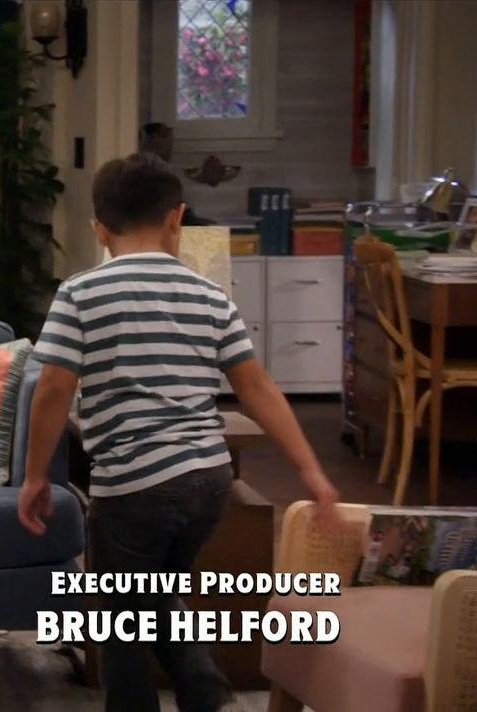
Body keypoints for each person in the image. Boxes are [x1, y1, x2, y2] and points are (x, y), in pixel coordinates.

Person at [17, 152, 339, 712]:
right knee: (157, 599)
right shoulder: (210, 296)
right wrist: (311, 472)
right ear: (177, 218)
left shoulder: (80, 293)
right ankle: (211, 700)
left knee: (120, 624)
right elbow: (257, 387)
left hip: (133, 487)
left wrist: (35, 475)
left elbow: (52, 390)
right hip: (208, 482)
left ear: (99, 229)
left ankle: (197, 700)